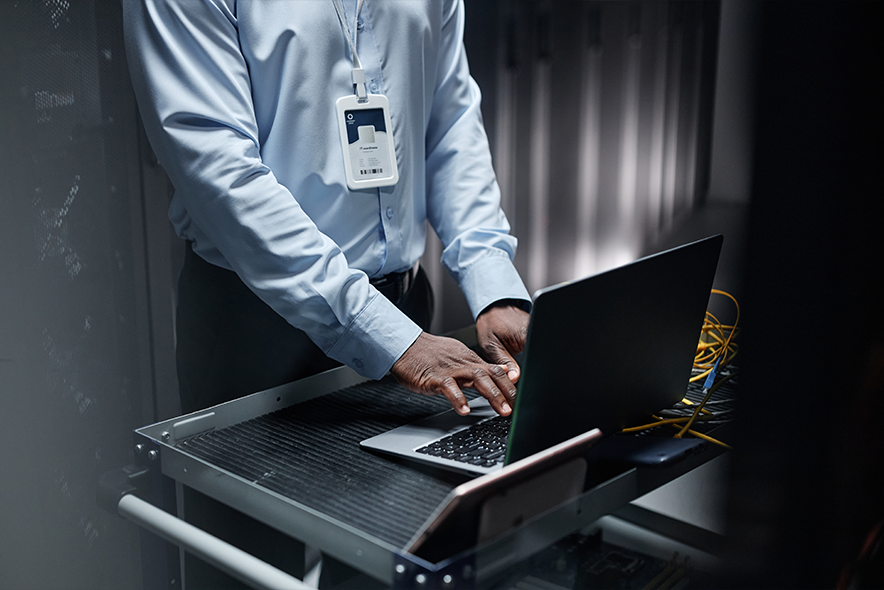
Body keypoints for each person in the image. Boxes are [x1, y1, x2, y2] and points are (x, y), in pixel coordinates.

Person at [122, 0, 532, 419]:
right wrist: (386, 335)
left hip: (409, 318)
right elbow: (219, 170)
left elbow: (450, 125)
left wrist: (493, 286)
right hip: (258, 334)